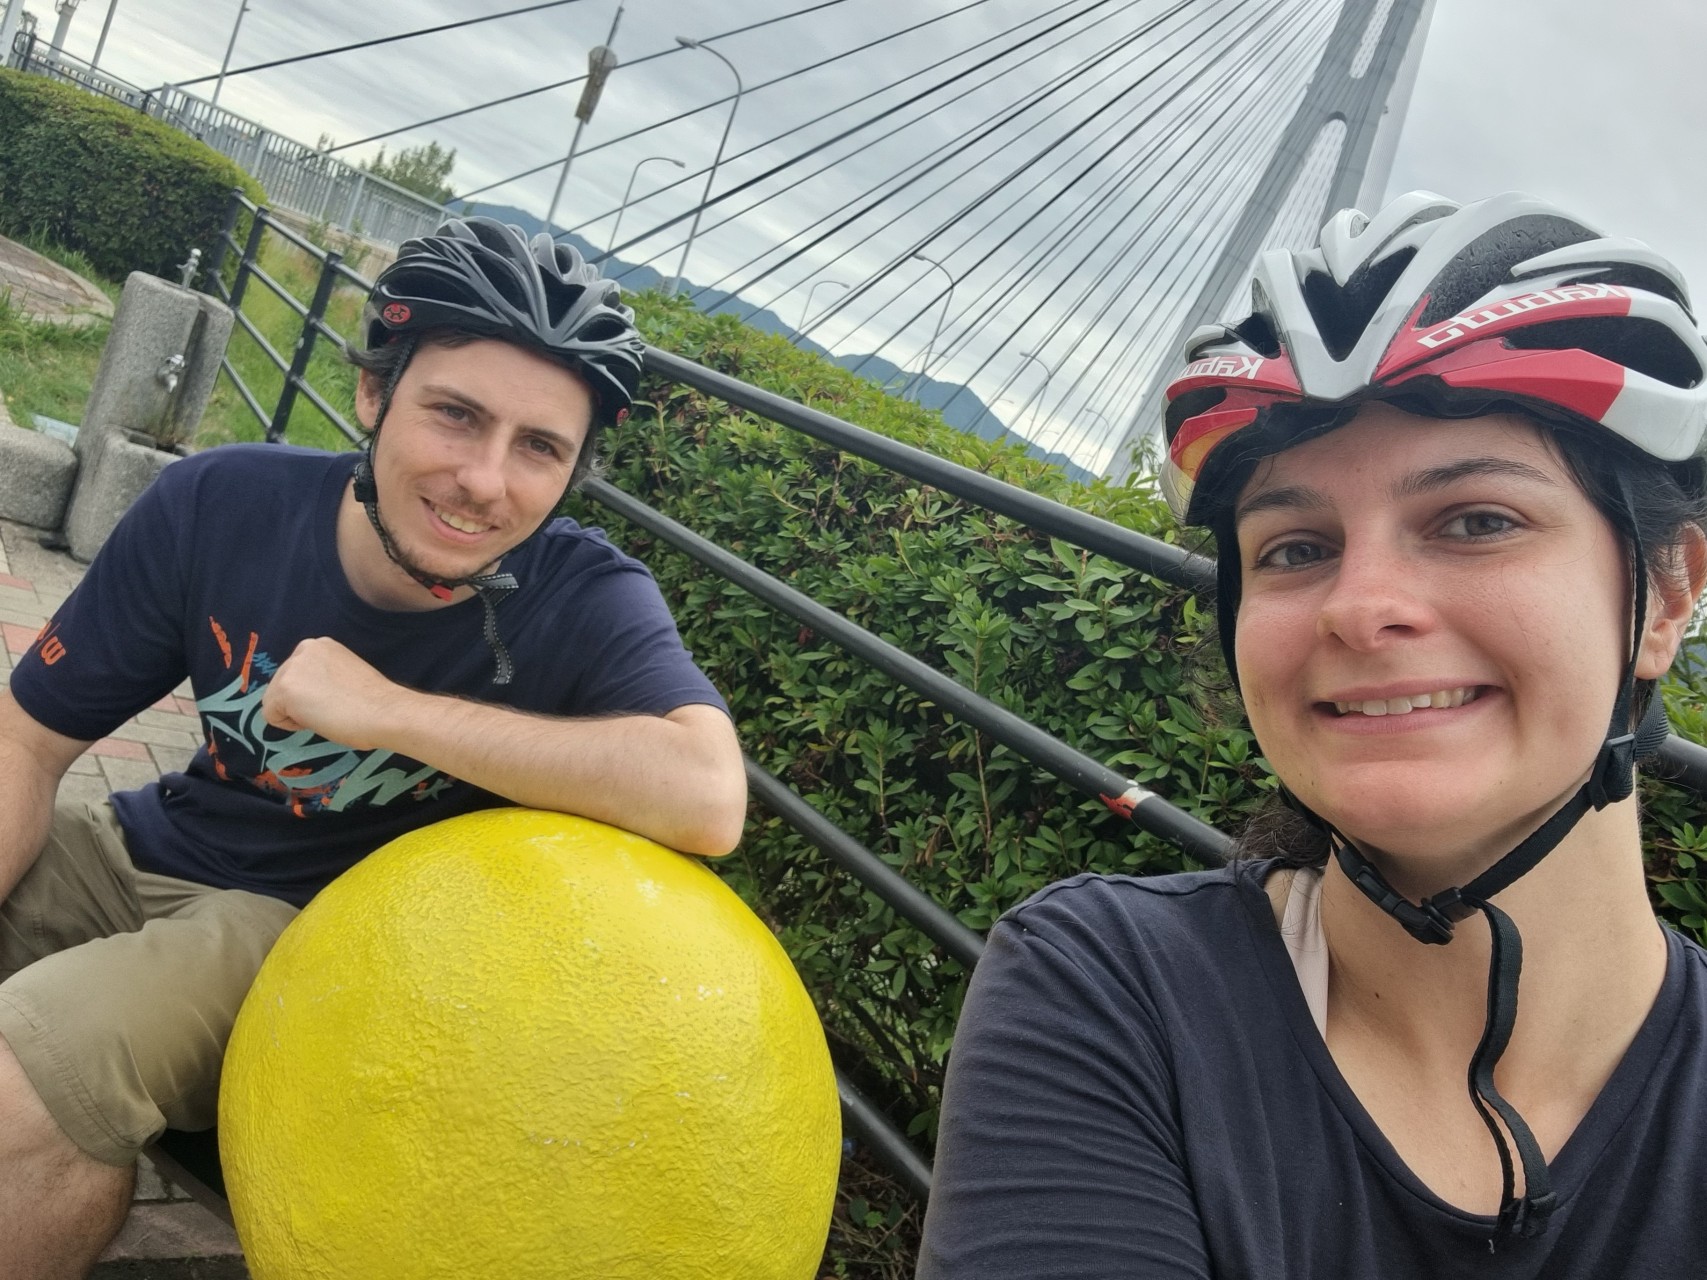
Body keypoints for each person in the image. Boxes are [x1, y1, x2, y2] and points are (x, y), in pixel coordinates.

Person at [917, 191, 1707, 1277]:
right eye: (1294, 546)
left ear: (1665, 597)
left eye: (1477, 520)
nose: (1359, 604)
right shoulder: (1112, 990)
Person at [0, 217, 747, 1277]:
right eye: (455, 414)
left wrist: (385, 708)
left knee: (34, 1077)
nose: (487, 479)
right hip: (142, 843)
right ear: (372, 394)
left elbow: (707, 793)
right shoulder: (221, 504)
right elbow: (26, 742)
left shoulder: (587, 596)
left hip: (311, 937)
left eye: (540, 447)